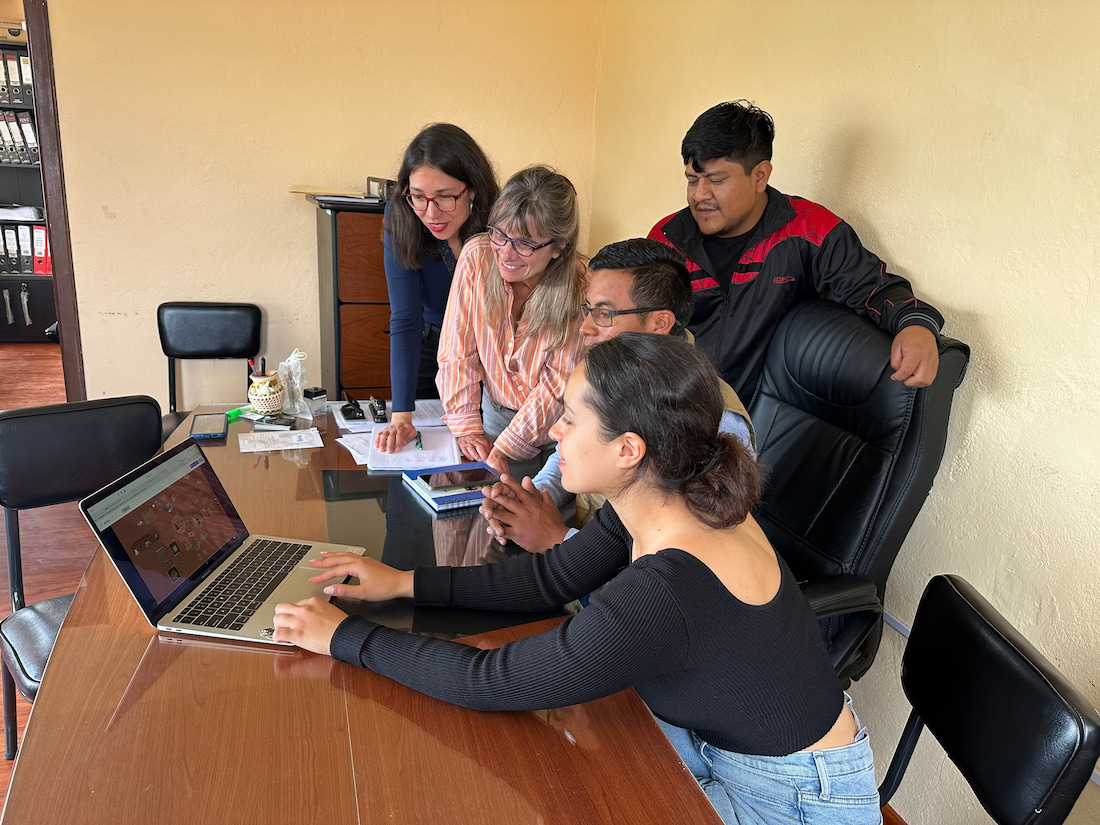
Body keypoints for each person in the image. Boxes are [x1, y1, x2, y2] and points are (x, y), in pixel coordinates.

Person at [273, 333, 881, 825]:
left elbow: (495, 681)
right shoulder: (669, 493)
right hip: (720, 737)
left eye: (568, 419)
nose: (553, 434)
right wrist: (402, 583)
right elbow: (549, 579)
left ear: (629, 449)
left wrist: (343, 639)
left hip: (794, 802)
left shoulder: (668, 584)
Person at [648, 99, 944, 404]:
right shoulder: (668, 239)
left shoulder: (808, 231)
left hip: (750, 422)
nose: (699, 195)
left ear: (760, 176)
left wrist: (917, 325)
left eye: (716, 180)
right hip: (669, 409)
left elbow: (876, 288)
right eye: (692, 180)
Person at [480, 237, 754, 553]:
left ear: (659, 323)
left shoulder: (715, 419)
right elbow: (572, 448)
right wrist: (531, 502)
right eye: (587, 310)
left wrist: (559, 541)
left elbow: (683, 559)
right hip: (581, 547)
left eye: (604, 314)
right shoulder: (615, 377)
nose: (585, 328)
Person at [436, 165, 587, 480]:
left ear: (560, 246)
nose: (506, 253)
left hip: (562, 426)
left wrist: (505, 447)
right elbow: (457, 351)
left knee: (546, 515)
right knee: (490, 514)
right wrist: (466, 428)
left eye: (525, 244)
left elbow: (557, 386)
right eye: (500, 234)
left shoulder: (582, 285)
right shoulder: (477, 257)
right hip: (494, 418)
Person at [374, 123, 499, 454]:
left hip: (493, 349)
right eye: (418, 196)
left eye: (445, 196)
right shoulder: (401, 216)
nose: (430, 213)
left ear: (472, 189)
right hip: (434, 347)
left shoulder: (500, 219)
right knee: (432, 448)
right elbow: (405, 319)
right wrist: (401, 416)